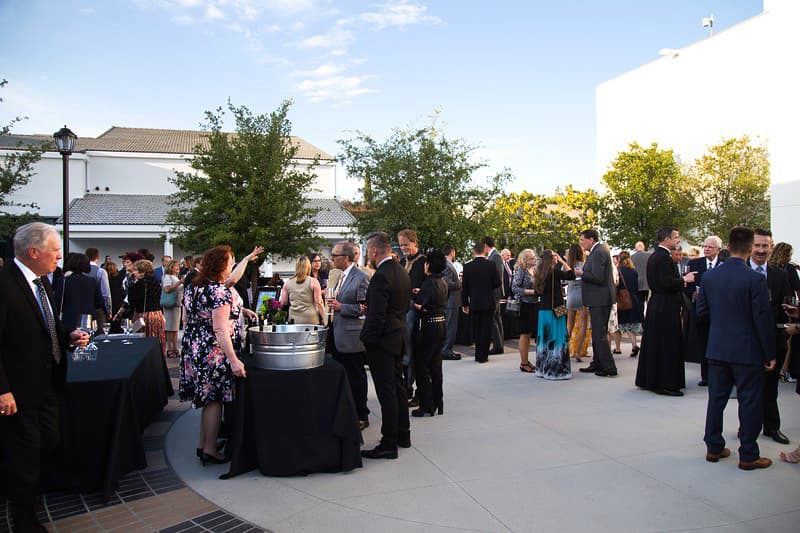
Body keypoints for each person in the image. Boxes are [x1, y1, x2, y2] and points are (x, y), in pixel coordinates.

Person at [0, 222, 88, 531]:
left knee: (47, 442)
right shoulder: (5, 283)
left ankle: (27, 491)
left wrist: (69, 335)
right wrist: (3, 391)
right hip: (18, 390)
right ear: (33, 252)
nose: (59, 257)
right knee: (23, 453)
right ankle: (23, 519)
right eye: (55, 251)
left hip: (48, 383)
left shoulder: (42, 282)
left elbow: (47, 325)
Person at [697, 226, 775, 470]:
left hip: (718, 347)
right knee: (749, 402)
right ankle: (748, 454)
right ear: (751, 248)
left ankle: (713, 447)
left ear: (728, 247)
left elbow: (701, 313)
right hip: (747, 350)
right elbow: (762, 319)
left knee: (716, 400)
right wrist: (770, 353)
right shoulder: (755, 279)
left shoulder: (709, 277)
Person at [179, 245, 254, 465]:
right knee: (214, 400)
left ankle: (203, 444)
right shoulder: (218, 291)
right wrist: (234, 360)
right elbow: (220, 329)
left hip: (195, 347)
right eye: (230, 261)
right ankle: (210, 448)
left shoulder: (194, 286)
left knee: (207, 399)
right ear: (221, 265)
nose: (232, 265)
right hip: (214, 351)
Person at [360, 231, 412, 460]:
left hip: (383, 341)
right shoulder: (401, 271)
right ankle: (403, 434)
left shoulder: (382, 275)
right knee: (398, 387)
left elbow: (376, 316)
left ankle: (389, 443)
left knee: (387, 391)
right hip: (398, 335)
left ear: (373, 251)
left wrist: (367, 340)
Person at [635, 228, 697, 396]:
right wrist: (684, 279)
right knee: (666, 344)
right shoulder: (663, 257)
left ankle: (651, 379)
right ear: (667, 238)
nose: (678, 240)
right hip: (665, 306)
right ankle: (665, 383)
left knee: (656, 343)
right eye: (676, 237)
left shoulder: (657, 255)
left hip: (659, 304)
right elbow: (665, 283)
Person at [750, 228, 792, 445]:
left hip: (774, 340)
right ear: (750, 246)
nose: (760, 250)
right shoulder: (741, 273)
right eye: (757, 245)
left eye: (765, 246)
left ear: (771, 247)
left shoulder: (780, 274)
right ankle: (748, 426)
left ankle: (772, 427)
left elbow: (784, 306)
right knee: (749, 389)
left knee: (770, 388)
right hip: (747, 342)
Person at [327, 241, 371, 430]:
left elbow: (365, 307)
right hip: (338, 333)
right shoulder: (341, 276)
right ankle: (348, 411)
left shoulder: (361, 277)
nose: (332, 259)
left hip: (352, 337)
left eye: (335, 255)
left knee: (356, 377)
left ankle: (362, 415)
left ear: (345, 258)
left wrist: (340, 307)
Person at [410, 250, 448, 417]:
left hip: (428, 327)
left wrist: (411, 301)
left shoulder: (428, 283)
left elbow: (422, 307)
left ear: (428, 265)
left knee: (422, 367)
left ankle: (426, 405)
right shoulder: (442, 282)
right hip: (440, 323)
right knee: (436, 366)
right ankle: (438, 402)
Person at [577, 229, 617, 377]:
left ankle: (609, 367)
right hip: (599, 298)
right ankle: (598, 362)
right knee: (597, 333)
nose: (581, 243)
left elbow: (598, 277)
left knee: (600, 334)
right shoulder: (599, 249)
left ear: (591, 239)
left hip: (599, 299)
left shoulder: (598, 251)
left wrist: (582, 274)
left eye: (583, 240)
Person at [684, 236, 722, 386]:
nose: (706, 249)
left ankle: (719, 375)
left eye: (710, 247)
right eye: (705, 246)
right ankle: (705, 376)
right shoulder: (694, 264)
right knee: (703, 343)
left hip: (720, 313)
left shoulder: (723, 264)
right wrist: (692, 294)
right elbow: (686, 285)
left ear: (718, 249)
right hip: (701, 311)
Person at [534, 249, 575, 380]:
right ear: (552, 259)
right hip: (557, 308)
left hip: (543, 310)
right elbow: (571, 275)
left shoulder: (539, 273)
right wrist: (563, 261)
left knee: (544, 339)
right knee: (558, 336)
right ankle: (555, 369)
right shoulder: (555, 273)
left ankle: (542, 368)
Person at [398, 229, 426, 406]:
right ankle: (406, 386)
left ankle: (415, 388)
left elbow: (432, 286)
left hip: (417, 313)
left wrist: (420, 293)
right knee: (403, 352)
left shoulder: (423, 262)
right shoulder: (401, 262)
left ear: (415, 243)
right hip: (402, 312)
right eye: (401, 245)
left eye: (406, 245)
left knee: (413, 353)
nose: (403, 248)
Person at [461, 242, 501, 363]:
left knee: (477, 329)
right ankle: (484, 355)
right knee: (486, 329)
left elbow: (465, 287)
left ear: (473, 252)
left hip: (475, 302)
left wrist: (465, 304)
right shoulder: (491, 265)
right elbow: (497, 283)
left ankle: (478, 354)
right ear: (485, 251)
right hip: (488, 301)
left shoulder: (467, 266)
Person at [118, 259, 167, 356]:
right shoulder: (156, 282)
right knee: (158, 342)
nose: (134, 272)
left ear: (142, 272)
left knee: (144, 342)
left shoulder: (139, 284)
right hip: (157, 315)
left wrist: (131, 285)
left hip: (144, 316)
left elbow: (133, 301)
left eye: (136, 270)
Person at [60, 252, 105, 332]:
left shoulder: (63, 281)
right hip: (89, 319)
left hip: (70, 320)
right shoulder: (91, 281)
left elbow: (58, 303)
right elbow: (99, 301)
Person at [511, 248, 539, 373]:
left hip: (533, 304)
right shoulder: (521, 270)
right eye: (532, 258)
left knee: (529, 334)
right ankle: (523, 362)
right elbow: (515, 288)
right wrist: (532, 292)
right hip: (523, 305)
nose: (535, 260)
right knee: (525, 333)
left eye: (534, 257)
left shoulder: (533, 270)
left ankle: (527, 361)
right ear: (525, 259)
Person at [279, 256, 325, 325]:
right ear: (308, 267)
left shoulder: (288, 283)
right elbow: (319, 302)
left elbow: (283, 302)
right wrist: (324, 318)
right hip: (311, 320)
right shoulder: (314, 282)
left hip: (294, 320)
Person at [566, 243, 590, 363]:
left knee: (569, 324)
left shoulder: (567, 266)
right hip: (582, 295)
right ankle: (578, 351)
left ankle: (565, 349)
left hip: (570, 295)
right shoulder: (584, 265)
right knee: (582, 324)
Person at [616, 251, 642, 357]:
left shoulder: (619, 271)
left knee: (622, 325)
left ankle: (618, 347)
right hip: (633, 299)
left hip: (623, 301)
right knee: (631, 324)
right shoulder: (633, 270)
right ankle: (634, 345)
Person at [440, 244, 463, 361]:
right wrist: (460, 283)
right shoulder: (447, 265)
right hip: (451, 301)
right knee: (450, 327)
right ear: (452, 252)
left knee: (449, 326)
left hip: (451, 301)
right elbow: (447, 284)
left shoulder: (446, 264)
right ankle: (446, 350)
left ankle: (446, 349)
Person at [483, 236, 505, 354]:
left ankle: (498, 346)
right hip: (495, 291)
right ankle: (499, 344)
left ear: (486, 245)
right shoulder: (494, 255)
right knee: (497, 318)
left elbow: (497, 275)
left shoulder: (495, 256)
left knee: (493, 318)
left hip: (494, 292)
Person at [162, 259, 184, 358]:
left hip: (177, 304)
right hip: (170, 304)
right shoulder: (167, 277)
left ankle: (174, 346)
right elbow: (167, 289)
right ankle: (170, 348)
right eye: (176, 266)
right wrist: (180, 282)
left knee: (175, 328)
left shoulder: (175, 277)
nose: (178, 267)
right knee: (170, 327)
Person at [85, 247, 112, 321]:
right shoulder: (101, 271)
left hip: (83, 309)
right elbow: (106, 294)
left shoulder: (82, 270)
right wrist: (109, 310)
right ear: (98, 257)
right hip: (97, 309)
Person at [631, 241, 651, 319]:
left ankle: (641, 320)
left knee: (640, 304)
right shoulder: (649, 256)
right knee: (649, 303)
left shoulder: (632, 257)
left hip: (637, 283)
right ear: (643, 247)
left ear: (636, 248)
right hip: (648, 282)